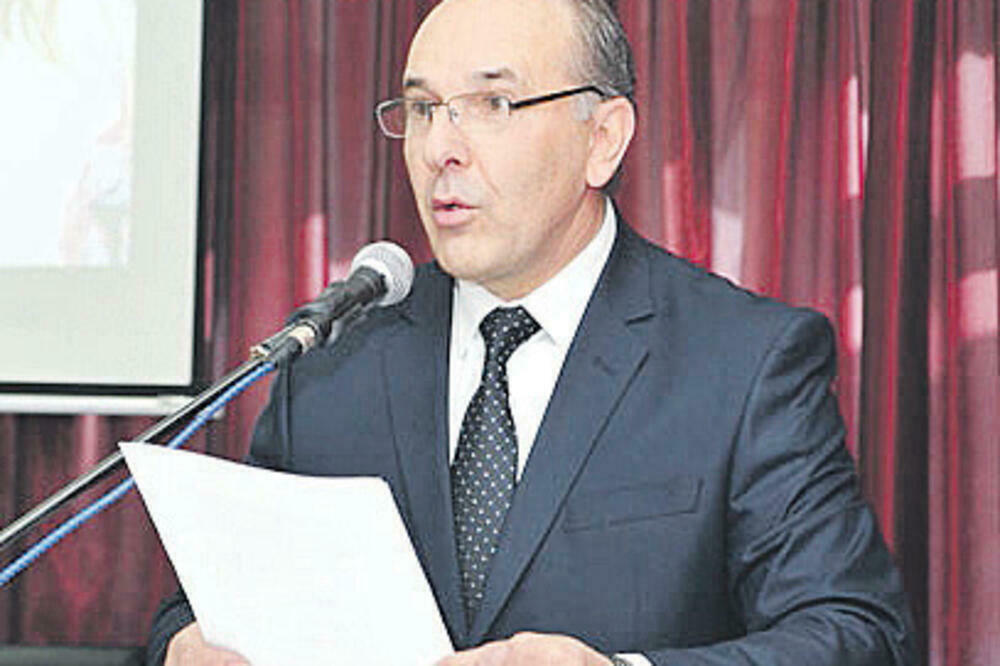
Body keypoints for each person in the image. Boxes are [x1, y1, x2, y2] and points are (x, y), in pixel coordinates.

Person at [148, 0, 915, 664]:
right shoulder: (333, 358)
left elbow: (857, 633)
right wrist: (184, 643)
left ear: (603, 137)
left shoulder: (743, 363)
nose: (440, 149)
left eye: (493, 104)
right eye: (423, 109)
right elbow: (211, 598)